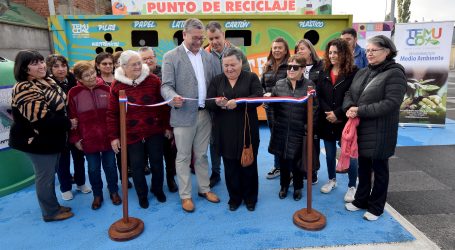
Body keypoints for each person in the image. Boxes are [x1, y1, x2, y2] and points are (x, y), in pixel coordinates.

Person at [343, 35, 407, 221]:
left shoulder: (395, 73)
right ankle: (361, 200)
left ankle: (376, 207)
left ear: (387, 52)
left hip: (381, 131)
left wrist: (360, 110)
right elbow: (349, 93)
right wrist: (349, 108)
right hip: (361, 129)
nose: (369, 53)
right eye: (368, 50)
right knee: (363, 167)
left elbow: (391, 103)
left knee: (379, 170)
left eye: (374, 50)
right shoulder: (363, 71)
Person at [161, 18, 221, 213]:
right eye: (194, 38)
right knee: (183, 157)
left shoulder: (209, 57)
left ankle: (204, 189)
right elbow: (166, 86)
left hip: (205, 115)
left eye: (201, 38)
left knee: (202, 155)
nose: (198, 41)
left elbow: (216, 83)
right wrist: (172, 98)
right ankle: (185, 195)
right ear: (184, 34)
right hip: (183, 115)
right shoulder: (171, 56)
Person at [9, 50, 75, 222]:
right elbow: (42, 119)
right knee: (45, 177)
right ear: (24, 68)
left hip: (51, 139)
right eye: (34, 63)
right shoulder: (24, 87)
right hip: (37, 141)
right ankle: (50, 212)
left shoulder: (46, 80)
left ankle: (53, 205)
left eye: (41, 61)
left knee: (49, 174)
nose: (41, 65)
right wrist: (68, 123)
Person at [107, 50, 171, 209]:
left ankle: (157, 189)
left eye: (139, 63)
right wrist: (114, 136)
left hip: (153, 130)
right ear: (123, 66)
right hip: (131, 133)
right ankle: (142, 194)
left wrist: (167, 126)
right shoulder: (117, 85)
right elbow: (112, 113)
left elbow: (163, 106)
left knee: (157, 162)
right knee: (136, 166)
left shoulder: (153, 80)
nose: (138, 66)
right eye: (133, 64)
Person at [206, 48, 262, 211]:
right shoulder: (217, 80)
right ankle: (235, 198)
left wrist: (238, 101)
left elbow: (258, 97)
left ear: (240, 63)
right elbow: (208, 102)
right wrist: (217, 103)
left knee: (249, 165)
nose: (229, 68)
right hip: (225, 131)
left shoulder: (251, 77)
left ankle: (250, 198)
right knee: (230, 167)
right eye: (226, 65)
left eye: (233, 65)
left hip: (247, 130)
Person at [68, 61, 122, 210]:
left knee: (111, 166)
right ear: (78, 78)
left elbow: (114, 115)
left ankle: (113, 191)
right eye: (86, 75)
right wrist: (76, 138)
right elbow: (73, 118)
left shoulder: (106, 88)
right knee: (92, 168)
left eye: (92, 73)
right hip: (88, 139)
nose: (91, 77)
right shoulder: (73, 93)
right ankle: (97, 195)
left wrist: (115, 136)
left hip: (108, 137)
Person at [205, 21, 251, 188]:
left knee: (236, 139)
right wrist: (215, 101)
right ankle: (216, 173)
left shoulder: (237, 52)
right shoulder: (204, 55)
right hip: (216, 107)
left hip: (235, 106)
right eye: (210, 38)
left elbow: (247, 77)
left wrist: (235, 100)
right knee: (214, 139)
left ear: (223, 35)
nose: (214, 41)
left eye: (217, 37)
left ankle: (238, 168)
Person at [268, 54, 316, 201]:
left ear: (302, 69)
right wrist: (275, 123)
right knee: (282, 160)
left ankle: (297, 187)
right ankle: (283, 186)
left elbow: (314, 108)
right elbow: (272, 107)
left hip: (299, 131)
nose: (291, 70)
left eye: (295, 67)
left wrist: (307, 126)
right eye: (289, 67)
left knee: (297, 162)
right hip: (281, 130)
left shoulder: (310, 86)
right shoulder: (279, 84)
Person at [316, 38, 358, 202]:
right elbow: (319, 94)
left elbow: (354, 96)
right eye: (330, 52)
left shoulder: (354, 72)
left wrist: (339, 113)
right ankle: (332, 180)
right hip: (327, 120)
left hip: (346, 121)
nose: (332, 55)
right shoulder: (324, 70)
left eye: (336, 52)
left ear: (344, 53)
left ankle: (352, 186)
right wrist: (329, 113)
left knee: (351, 154)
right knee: (329, 154)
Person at [46, 54, 91, 201]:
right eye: (56, 66)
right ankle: (65, 187)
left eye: (63, 65)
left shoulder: (74, 81)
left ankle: (81, 182)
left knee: (79, 156)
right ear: (50, 69)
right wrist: (66, 121)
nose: (61, 69)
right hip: (59, 129)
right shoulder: (46, 84)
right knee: (63, 160)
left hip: (76, 127)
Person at [138, 46, 178, 193]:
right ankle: (156, 184)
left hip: (166, 120)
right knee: (151, 156)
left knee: (169, 153)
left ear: (155, 58)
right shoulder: (136, 77)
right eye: (144, 59)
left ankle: (170, 178)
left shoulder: (166, 73)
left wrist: (168, 126)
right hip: (146, 124)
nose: (148, 61)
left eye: (150, 57)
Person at [294, 39, 323, 185]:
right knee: (299, 143)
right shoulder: (295, 66)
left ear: (310, 50)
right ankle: (300, 171)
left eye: (302, 49)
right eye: (298, 49)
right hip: (298, 111)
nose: (299, 51)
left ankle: (313, 172)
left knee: (313, 143)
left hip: (314, 111)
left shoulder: (321, 66)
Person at [261, 37, 290, 180]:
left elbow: (291, 87)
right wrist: (263, 95)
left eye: (280, 48)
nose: (277, 50)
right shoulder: (267, 65)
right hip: (270, 109)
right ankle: (277, 166)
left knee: (286, 138)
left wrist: (272, 94)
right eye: (274, 48)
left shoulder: (291, 65)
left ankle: (288, 169)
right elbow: (261, 86)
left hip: (285, 109)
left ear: (285, 51)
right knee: (275, 138)